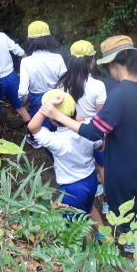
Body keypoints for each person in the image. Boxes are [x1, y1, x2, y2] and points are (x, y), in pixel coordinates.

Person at [39, 36, 137, 272]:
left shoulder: (121, 93)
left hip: (125, 164)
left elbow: (95, 130)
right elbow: (116, 121)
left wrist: (61, 117)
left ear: (115, 63)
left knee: (130, 209)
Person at [28, 89, 104, 227]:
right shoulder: (88, 129)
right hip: (91, 180)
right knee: (89, 207)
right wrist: (82, 121)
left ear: (51, 119)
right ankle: (105, 238)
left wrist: (44, 108)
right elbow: (100, 145)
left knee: (75, 227)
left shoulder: (56, 141)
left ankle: (86, 247)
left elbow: (32, 127)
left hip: (72, 188)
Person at [57, 40, 107, 207]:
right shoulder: (97, 85)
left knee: (83, 164)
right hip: (94, 131)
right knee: (102, 165)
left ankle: (89, 198)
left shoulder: (62, 83)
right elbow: (102, 114)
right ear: (91, 61)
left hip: (71, 130)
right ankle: (107, 200)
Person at [18, 21, 67, 128]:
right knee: (57, 123)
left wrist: (23, 99)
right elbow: (65, 82)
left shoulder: (26, 61)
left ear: (29, 40)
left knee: (39, 126)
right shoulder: (58, 58)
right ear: (49, 38)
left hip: (37, 98)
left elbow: (23, 91)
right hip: (56, 96)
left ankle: (36, 142)